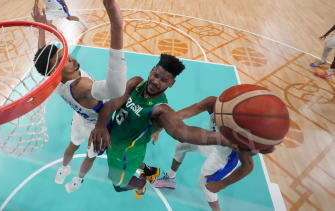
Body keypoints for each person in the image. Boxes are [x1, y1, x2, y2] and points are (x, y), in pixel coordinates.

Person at [88, 55, 235, 199]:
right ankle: (146, 169)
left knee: (118, 184)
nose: (156, 82)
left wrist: (226, 138)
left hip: (127, 153)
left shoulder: (161, 110)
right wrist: (101, 126)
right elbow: (113, 103)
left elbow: (183, 133)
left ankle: (141, 184)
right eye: (156, 75)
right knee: (128, 164)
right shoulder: (136, 83)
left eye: (164, 80)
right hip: (113, 139)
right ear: (152, 70)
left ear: (171, 83)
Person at [32, 0, 126, 193]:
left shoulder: (53, 79)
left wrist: (42, 26)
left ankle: (72, 173)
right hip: (93, 123)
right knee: (83, 152)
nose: (71, 58)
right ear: (56, 70)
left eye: (64, 54)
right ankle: (72, 173)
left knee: (77, 148)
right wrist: (116, 27)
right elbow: (114, 89)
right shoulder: (81, 86)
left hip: (85, 119)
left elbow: (43, 55)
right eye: (63, 60)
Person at [151, 96, 274, 211]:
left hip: (224, 158)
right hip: (212, 141)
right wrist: (160, 128)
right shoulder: (213, 103)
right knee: (181, 146)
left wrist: (222, 184)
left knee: (205, 184)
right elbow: (181, 115)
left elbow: (247, 166)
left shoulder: (241, 134)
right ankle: (170, 178)